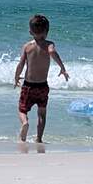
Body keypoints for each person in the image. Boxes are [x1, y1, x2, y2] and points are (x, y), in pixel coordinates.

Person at [14, 14, 69, 143]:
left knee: (22, 110)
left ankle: (25, 122)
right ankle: (39, 138)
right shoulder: (49, 44)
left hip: (28, 85)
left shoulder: (27, 46)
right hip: (42, 86)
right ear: (47, 31)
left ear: (30, 32)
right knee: (42, 114)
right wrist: (62, 67)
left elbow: (21, 64)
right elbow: (52, 52)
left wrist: (16, 77)